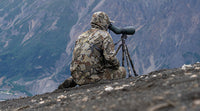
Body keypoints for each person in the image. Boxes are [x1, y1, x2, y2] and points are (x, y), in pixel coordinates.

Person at [58, 11, 126, 89]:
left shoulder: (81, 36)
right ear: (104, 23)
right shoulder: (104, 35)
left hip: (77, 75)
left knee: (85, 72)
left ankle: (74, 80)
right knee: (122, 70)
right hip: (93, 77)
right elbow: (110, 58)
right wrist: (116, 66)